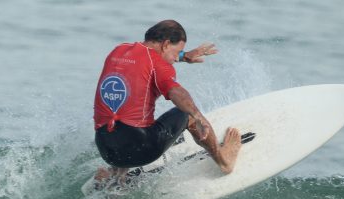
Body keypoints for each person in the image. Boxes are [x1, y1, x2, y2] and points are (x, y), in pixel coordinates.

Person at [93, 20, 243, 183]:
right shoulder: (159, 65)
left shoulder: (119, 51)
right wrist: (197, 116)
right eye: (177, 51)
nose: (174, 60)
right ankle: (224, 161)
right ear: (165, 44)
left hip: (106, 149)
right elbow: (176, 92)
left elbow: (152, 58)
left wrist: (184, 56)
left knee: (126, 113)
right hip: (141, 150)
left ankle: (116, 177)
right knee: (185, 114)